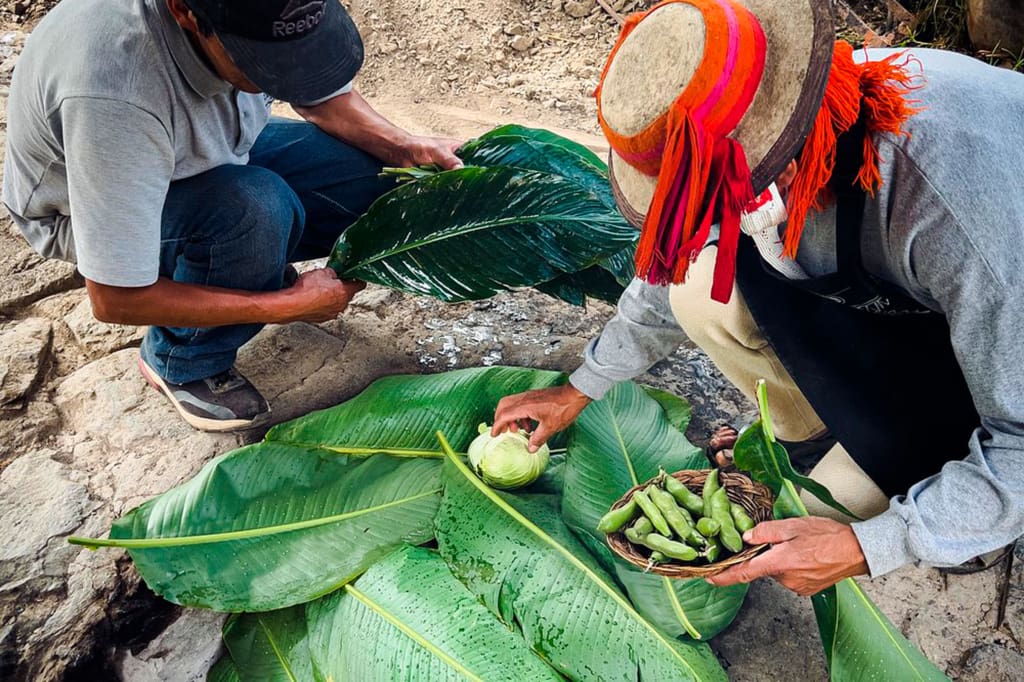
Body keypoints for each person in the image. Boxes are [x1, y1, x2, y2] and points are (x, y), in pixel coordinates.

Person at [493, 0, 1024, 595]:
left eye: (714, 199)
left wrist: (872, 545)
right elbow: (675, 261)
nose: (709, 219)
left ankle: (960, 506)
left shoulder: (951, 207)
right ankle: (816, 436)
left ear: (782, 162)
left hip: (1000, 340)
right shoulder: (762, 131)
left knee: (835, 514)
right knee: (700, 293)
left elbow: (1022, 440)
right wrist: (582, 386)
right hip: (914, 307)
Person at [2, 0, 462, 431]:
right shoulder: (113, 95)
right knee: (254, 210)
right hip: (91, 202)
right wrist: (285, 307)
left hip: (202, 147)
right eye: (264, 64)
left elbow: (317, 90)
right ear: (184, 10)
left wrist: (403, 147)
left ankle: (241, 264)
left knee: (379, 179)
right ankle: (182, 359)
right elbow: (115, 298)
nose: (284, 76)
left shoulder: (251, 19)